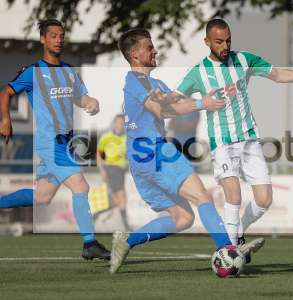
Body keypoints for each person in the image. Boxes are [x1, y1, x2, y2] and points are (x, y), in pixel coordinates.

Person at [173, 19, 293, 261]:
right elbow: (174, 102)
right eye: (219, 41)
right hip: (222, 142)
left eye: (228, 40)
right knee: (234, 196)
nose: (225, 45)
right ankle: (226, 253)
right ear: (207, 42)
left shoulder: (245, 60)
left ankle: (237, 234)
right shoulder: (198, 73)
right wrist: (200, 104)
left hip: (249, 140)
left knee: (264, 200)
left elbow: (278, 74)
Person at [109, 28, 235, 274]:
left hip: (141, 159)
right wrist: (201, 104)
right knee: (202, 196)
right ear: (134, 55)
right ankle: (228, 249)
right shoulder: (133, 80)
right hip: (152, 152)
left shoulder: (154, 83)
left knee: (182, 218)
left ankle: (127, 241)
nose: (155, 50)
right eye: (149, 47)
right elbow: (163, 111)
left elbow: (175, 103)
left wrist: (203, 99)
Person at [0, 19, 110, 260]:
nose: (59, 39)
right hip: (49, 143)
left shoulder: (70, 72)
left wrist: (92, 103)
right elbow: (5, 93)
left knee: (42, 197)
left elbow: (82, 99)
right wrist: (6, 120)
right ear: (43, 39)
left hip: (66, 143)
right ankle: (89, 243)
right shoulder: (33, 72)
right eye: (53, 36)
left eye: (61, 36)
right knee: (81, 186)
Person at [96, 114, 129, 230]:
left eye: (122, 123)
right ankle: (126, 225)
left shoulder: (127, 138)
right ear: (114, 123)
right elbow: (99, 156)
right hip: (111, 169)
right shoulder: (106, 137)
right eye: (118, 123)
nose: (120, 125)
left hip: (121, 171)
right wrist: (102, 171)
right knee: (122, 197)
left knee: (117, 201)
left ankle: (95, 214)